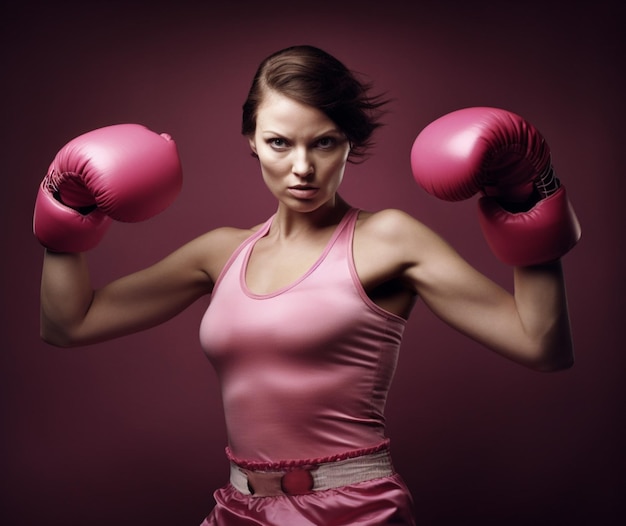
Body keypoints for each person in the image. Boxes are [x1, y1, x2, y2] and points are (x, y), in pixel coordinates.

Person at [34, 45, 581, 525]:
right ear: (250, 139)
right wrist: (67, 208)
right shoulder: (221, 251)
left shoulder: (390, 238)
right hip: (238, 509)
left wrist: (527, 198)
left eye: (323, 143)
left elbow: (541, 345)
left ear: (349, 144)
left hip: (354, 509)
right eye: (278, 142)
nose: (302, 167)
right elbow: (68, 323)